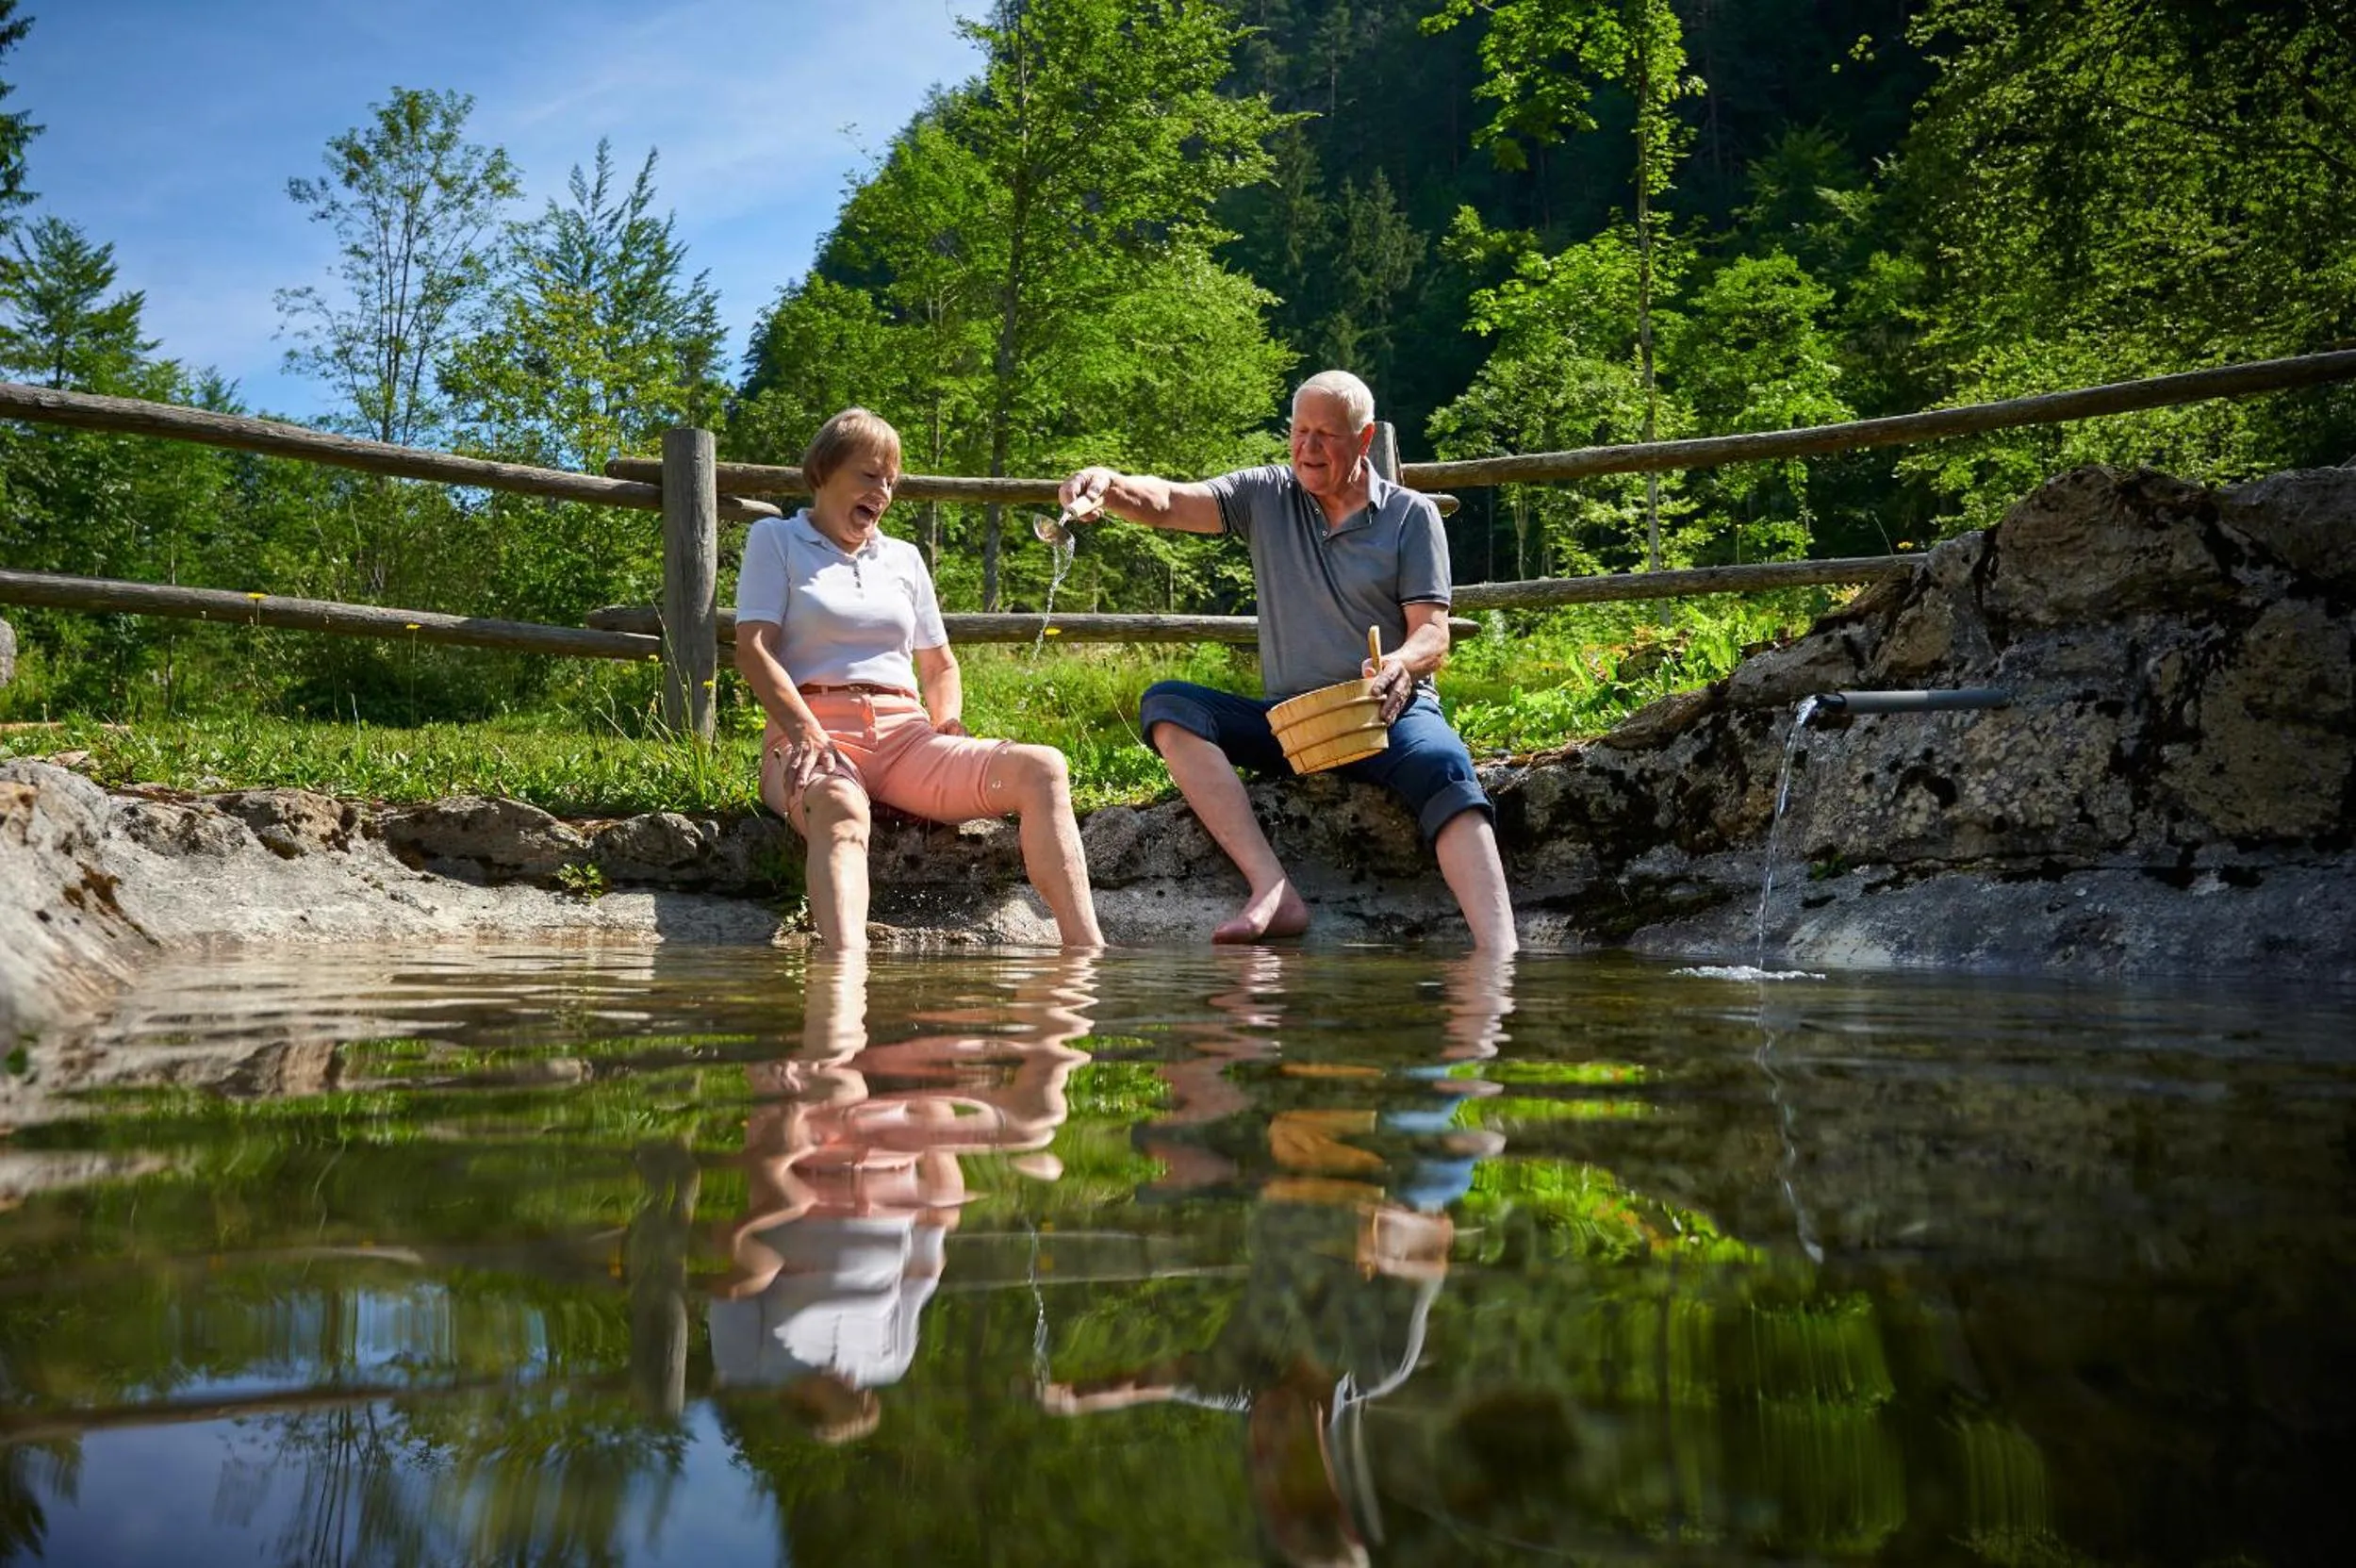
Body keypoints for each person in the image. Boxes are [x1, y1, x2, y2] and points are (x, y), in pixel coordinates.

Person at [1059, 371, 1516, 951]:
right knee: (1170, 705)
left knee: (1448, 766)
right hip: (1292, 724)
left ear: (1365, 437)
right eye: (1300, 431)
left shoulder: (1410, 515)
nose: (1308, 448)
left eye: (1326, 434)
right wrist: (1110, 485)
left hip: (1385, 717)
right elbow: (1172, 501)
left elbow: (1432, 634)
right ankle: (1273, 889)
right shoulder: (1266, 494)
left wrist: (1400, 664)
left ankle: (1501, 958)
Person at [737, 407, 1102, 950]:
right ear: (824, 471)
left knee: (1043, 767)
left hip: (909, 739)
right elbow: (754, 649)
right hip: (810, 736)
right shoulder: (776, 539)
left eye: (890, 480)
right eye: (868, 475)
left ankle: (1086, 957)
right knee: (839, 805)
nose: (882, 491)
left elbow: (940, 665)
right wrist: (806, 733)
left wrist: (948, 720)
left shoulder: (904, 559)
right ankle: (843, 987)